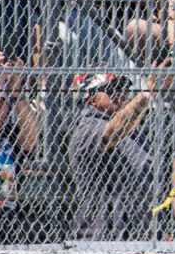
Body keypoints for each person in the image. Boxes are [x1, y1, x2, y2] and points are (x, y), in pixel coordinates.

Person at [67, 71, 157, 239]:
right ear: (90, 97)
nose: (119, 94)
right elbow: (111, 134)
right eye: (110, 89)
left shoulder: (132, 130)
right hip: (100, 233)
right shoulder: (88, 126)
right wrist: (147, 92)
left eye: (122, 88)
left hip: (135, 228)